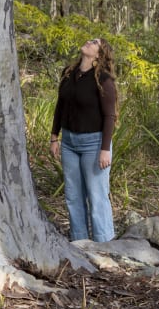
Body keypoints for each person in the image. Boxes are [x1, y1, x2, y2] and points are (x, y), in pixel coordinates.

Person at [50, 37, 117, 242]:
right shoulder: (69, 74)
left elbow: (110, 116)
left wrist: (105, 149)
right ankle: (80, 242)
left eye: (95, 42)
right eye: (90, 40)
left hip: (94, 144)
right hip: (69, 143)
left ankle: (103, 243)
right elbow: (60, 106)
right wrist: (55, 137)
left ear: (99, 55)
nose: (89, 41)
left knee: (97, 195)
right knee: (73, 195)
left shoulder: (103, 80)